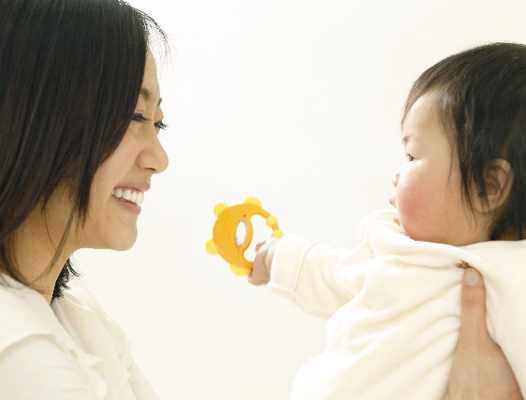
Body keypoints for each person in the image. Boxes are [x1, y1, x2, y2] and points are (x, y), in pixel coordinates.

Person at [250, 42, 526, 399]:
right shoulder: (394, 244)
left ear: (488, 187)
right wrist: (279, 259)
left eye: (411, 156)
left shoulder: (512, 279)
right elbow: (337, 275)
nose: (397, 174)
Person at [0, 0, 168, 398]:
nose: (160, 160)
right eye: (134, 116)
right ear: (36, 120)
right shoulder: (16, 345)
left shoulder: (79, 316)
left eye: (159, 122)